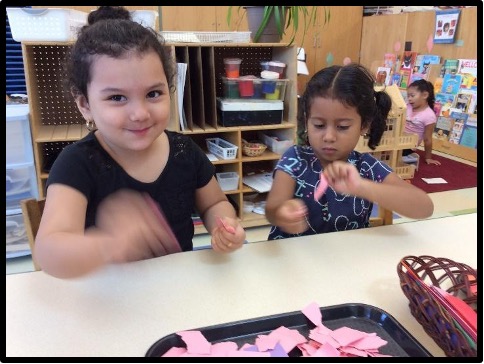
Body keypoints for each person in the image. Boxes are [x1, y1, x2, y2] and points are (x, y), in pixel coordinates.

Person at [35, 6, 246, 279]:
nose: (140, 113)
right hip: (109, 297)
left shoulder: (184, 151)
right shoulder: (77, 163)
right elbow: (50, 251)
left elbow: (214, 203)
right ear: (85, 105)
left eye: (153, 93)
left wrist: (224, 225)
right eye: (117, 98)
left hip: (177, 287)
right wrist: (108, 244)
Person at [265, 63, 434, 240]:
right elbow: (271, 210)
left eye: (342, 127)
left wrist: (362, 187)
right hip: (295, 258)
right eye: (319, 125)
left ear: (364, 125)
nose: (329, 136)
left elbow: (424, 207)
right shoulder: (295, 159)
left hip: (348, 259)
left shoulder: (366, 167)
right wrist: (281, 214)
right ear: (307, 120)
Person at [402, 79, 441, 165]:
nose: (409, 99)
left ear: (425, 95)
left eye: (412, 96)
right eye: (408, 96)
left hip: (409, 146)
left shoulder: (429, 115)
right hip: (398, 138)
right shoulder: (407, 106)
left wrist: (428, 158)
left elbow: (427, 139)